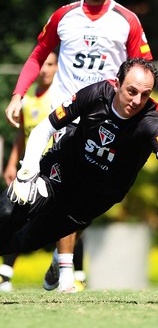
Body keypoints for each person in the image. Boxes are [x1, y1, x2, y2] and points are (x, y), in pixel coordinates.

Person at [4, 0, 153, 293]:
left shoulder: (127, 21)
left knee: (90, 202)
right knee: (65, 192)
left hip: (108, 121)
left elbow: (145, 71)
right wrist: (17, 95)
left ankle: (58, 261)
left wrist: (149, 118)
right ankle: (67, 276)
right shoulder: (64, 16)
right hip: (68, 119)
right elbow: (39, 53)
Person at [0, 59, 158, 270]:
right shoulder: (95, 94)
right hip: (59, 170)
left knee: (24, 239)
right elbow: (44, 128)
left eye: (145, 94)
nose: (137, 100)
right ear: (116, 83)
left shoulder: (150, 122)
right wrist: (27, 172)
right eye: (131, 91)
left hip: (92, 198)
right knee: (7, 210)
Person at [0, 52, 58, 292]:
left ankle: (73, 273)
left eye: (50, 64)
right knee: (14, 214)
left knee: (66, 219)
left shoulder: (61, 96)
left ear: (58, 68)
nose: (44, 69)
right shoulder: (28, 101)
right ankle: (5, 275)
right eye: (41, 64)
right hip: (29, 169)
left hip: (54, 168)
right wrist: (12, 163)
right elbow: (21, 135)